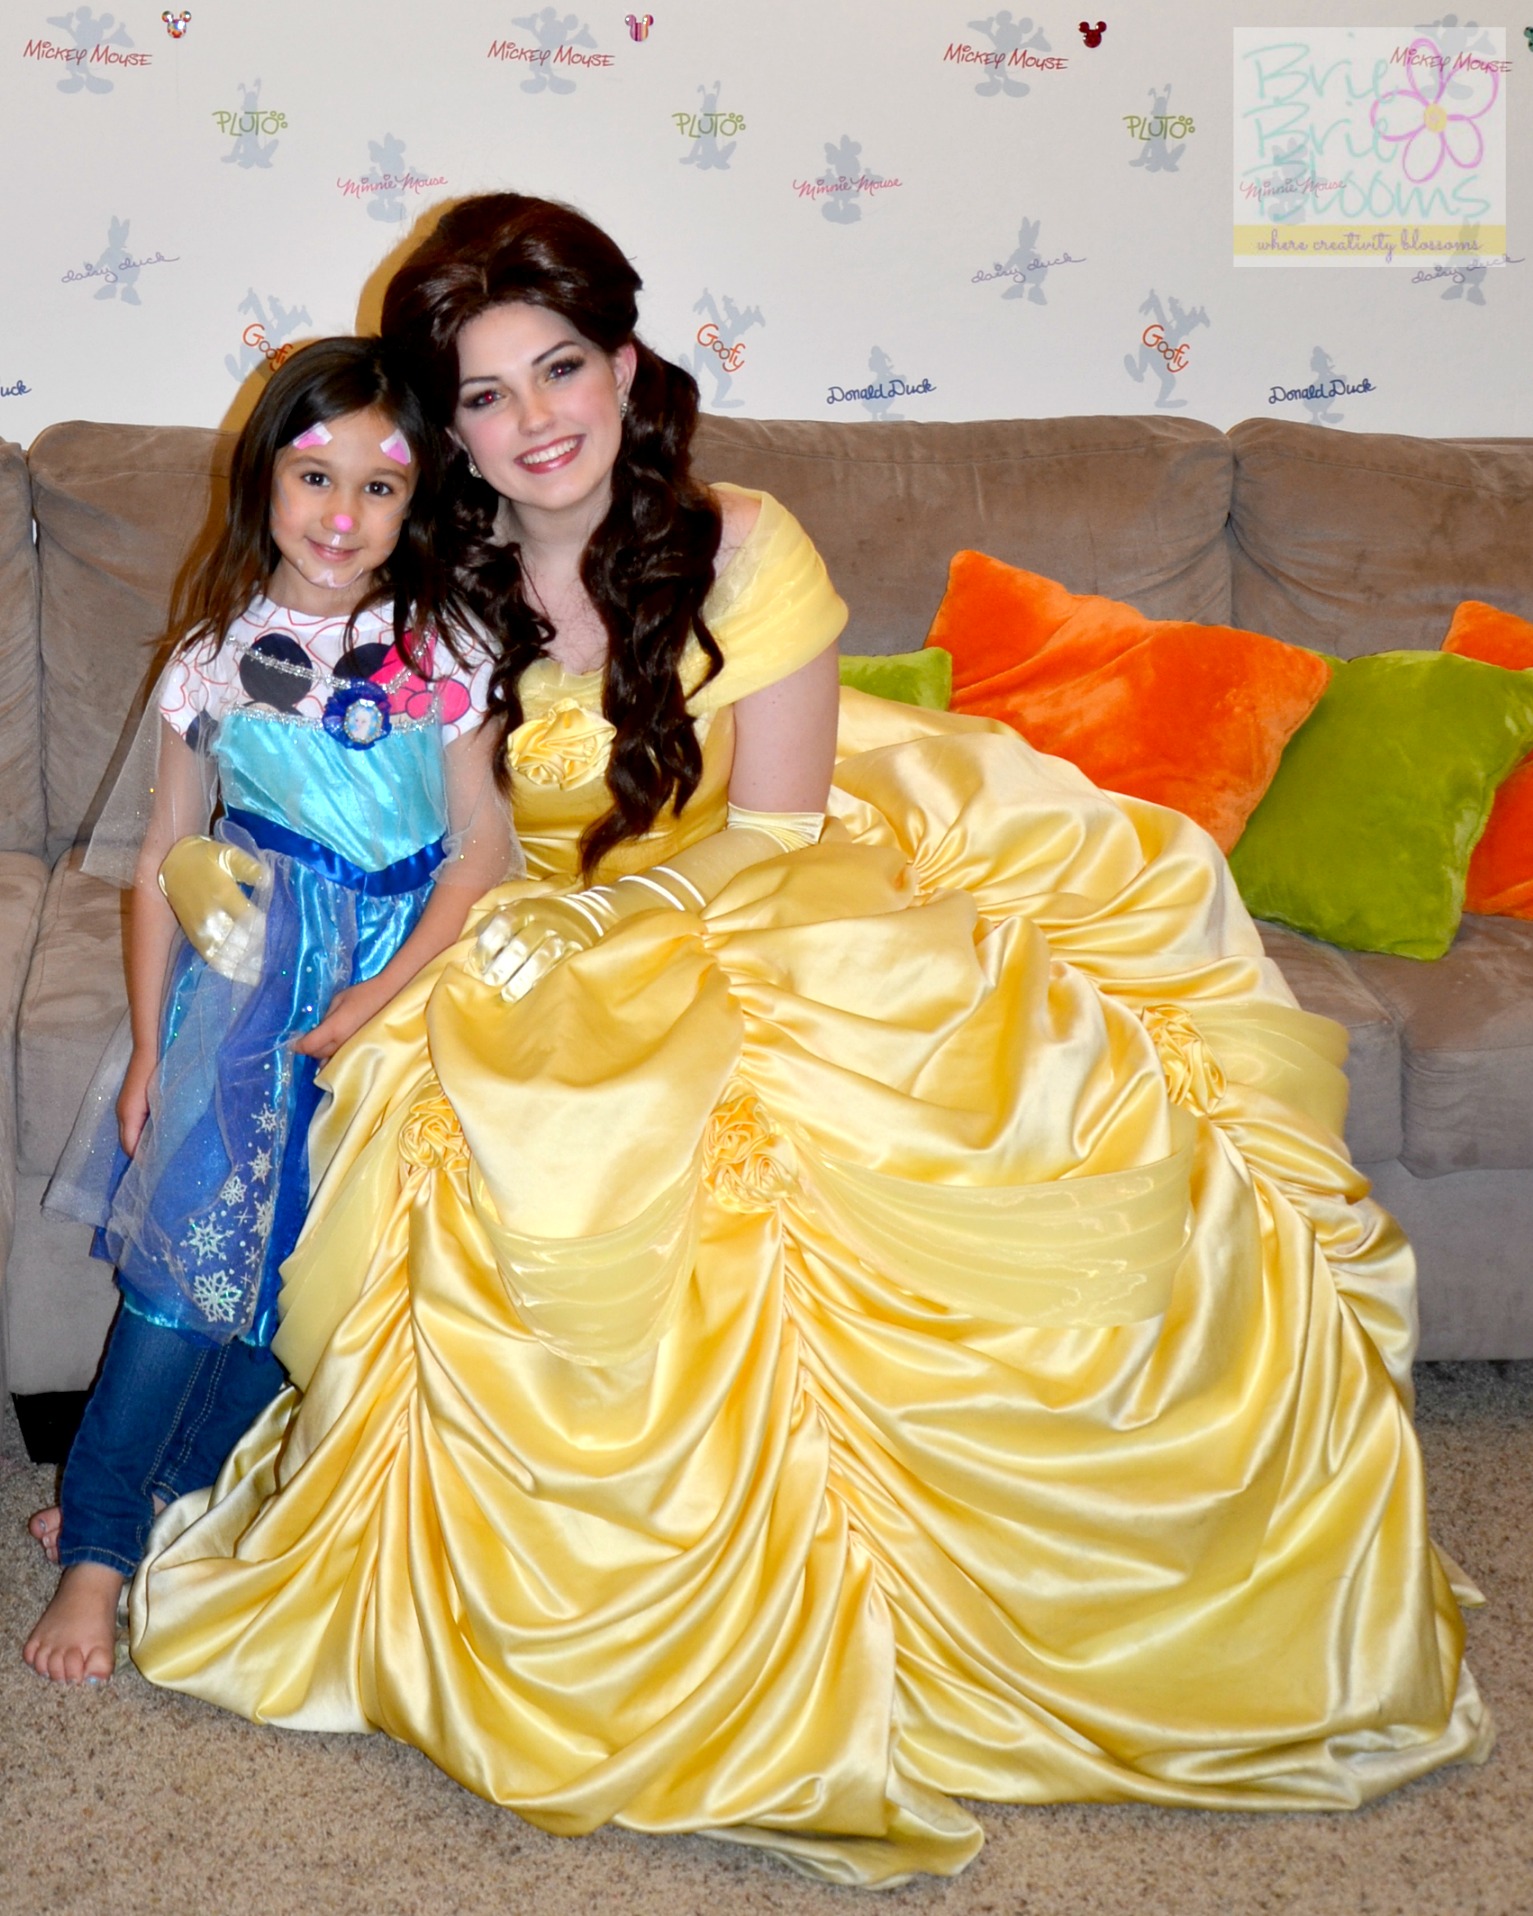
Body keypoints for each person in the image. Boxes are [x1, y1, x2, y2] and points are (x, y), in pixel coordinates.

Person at [128, 198, 1490, 1885]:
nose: (533, 418)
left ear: (625, 364)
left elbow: (773, 833)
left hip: (756, 884)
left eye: (560, 367)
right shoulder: (416, 574)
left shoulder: (740, 543)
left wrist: (605, 926)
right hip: (511, 910)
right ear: (447, 427)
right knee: (482, 1122)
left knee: (956, 1125)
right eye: (481, 393)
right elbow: (342, 781)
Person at [24, 337, 515, 1684]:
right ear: (263, 480)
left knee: (304, 1282)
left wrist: (377, 995)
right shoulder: (211, 659)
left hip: (402, 996)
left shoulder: (449, 649)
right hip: (245, 999)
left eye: (379, 486)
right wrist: (148, 1049)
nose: (342, 514)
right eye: (314, 476)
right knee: (187, 1272)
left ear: (416, 505)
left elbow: (481, 849)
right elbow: (161, 863)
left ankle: (171, 1495)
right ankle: (98, 1548)